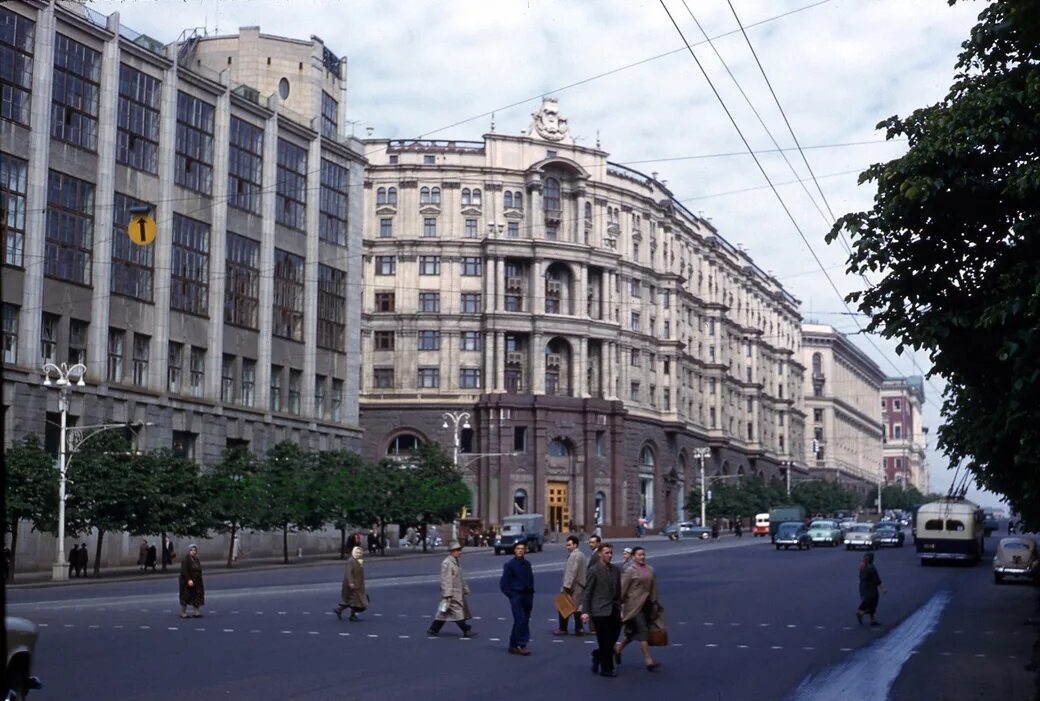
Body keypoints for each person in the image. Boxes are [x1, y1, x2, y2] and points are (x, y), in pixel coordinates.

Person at [615, 546, 662, 671]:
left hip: (646, 605)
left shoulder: (650, 569)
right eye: (639, 555)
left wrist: (655, 603)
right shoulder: (630, 571)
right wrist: (619, 605)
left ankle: (618, 649)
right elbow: (622, 589)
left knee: (633, 632)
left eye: (643, 555)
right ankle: (648, 660)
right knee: (643, 630)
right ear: (633, 556)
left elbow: (654, 588)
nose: (642, 557)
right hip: (633, 605)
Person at [582, 543, 622, 677]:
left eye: (611, 553)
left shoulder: (616, 570)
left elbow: (618, 591)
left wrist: (621, 606)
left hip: (614, 609)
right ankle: (607, 669)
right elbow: (587, 592)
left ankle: (597, 655)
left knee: (612, 638)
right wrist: (585, 612)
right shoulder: (594, 570)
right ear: (600, 554)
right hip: (599, 610)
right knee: (604, 639)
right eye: (606, 553)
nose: (609, 555)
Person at [427, 541, 476, 638]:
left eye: (460, 550)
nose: (460, 552)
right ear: (452, 551)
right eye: (457, 550)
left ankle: (434, 628)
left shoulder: (456, 561)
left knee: (443, 612)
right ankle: (466, 629)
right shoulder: (447, 563)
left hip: (457, 591)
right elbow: (446, 579)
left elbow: (460, 578)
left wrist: (465, 588)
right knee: (457, 611)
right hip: (452, 593)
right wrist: (447, 594)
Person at [500, 542, 535, 655]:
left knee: (524, 620)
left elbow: (530, 579)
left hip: (528, 595)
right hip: (517, 596)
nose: (520, 550)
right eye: (518, 549)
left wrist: (531, 591)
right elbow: (504, 584)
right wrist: (512, 595)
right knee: (520, 619)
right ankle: (522, 644)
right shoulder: (510, 565)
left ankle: (513, 644)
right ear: (514, 550)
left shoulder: (527, 564)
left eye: (522, 549)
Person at [554, 535, 586, 636]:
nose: (567, 547)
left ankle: (563, 629)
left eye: (569, 545)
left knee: (563, 606)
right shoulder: (582, 555)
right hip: (580, 585)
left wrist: (566, 586)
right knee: (578, 608)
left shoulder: (574, 555)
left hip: (573, 586)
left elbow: (572, 571)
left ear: (575, 545)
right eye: (566, 545)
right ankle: (579, 628)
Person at [335, 546, 368, 621]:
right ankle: (352, 615)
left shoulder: (359, 561)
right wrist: (351, 583)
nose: (358, 554)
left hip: (358, 585)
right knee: (356, 601)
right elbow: (348, 573)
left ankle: (339, 610)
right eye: (357, 552)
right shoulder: (351, 561)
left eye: (360, 553)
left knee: (353, 601)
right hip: (352, 585)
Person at [856, 552, 885, 626]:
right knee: (873, 604)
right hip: (871, 589)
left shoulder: (863, 566)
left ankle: (872, 619)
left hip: (863, 588)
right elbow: (877, 580)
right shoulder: (871, 567)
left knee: (867, 603)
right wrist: (882, 589)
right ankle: (861, 613)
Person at [178, 544, 205, 619]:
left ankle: (196, 612)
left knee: (197, 595)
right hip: (186, 581)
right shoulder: (186, 559)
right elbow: (184, 571)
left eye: (195, 550)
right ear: (189, 551)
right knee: (185, 596)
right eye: (192, 550)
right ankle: (183, 613)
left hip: (197, 581)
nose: (193, 552)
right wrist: (189, 579)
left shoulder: (196, 559)